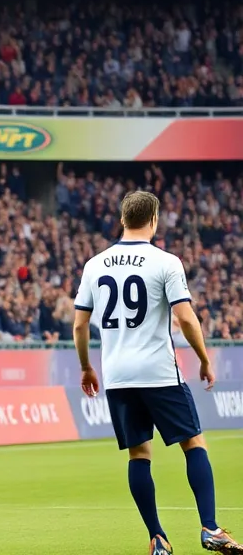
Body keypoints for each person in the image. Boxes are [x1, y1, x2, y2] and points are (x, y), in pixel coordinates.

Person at [73, 191, 243, 555]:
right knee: (194, 443)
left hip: (117, 375)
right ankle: (210, 528)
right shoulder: (165, 261)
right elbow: (184, 317)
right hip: (159, 371)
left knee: (138, 455)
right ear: (154, 220)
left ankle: (157, 538)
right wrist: (204, 358)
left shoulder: (94, 265)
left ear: (122, 219)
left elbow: (79, 326)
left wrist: (87, 366)